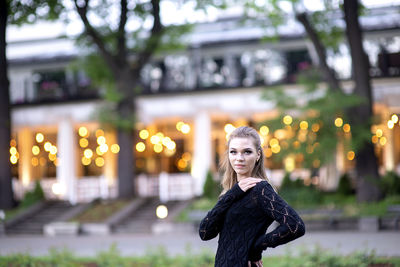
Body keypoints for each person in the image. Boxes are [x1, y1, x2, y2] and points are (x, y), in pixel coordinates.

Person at [199, 126, 305, 267]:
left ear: (258, 155)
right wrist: (233, 193)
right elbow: (205, 232)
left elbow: (295, 226)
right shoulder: (231, 192)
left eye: (247, 152)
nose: (239, 158)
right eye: (233, 152)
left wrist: (256, 247)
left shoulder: (261, 190)